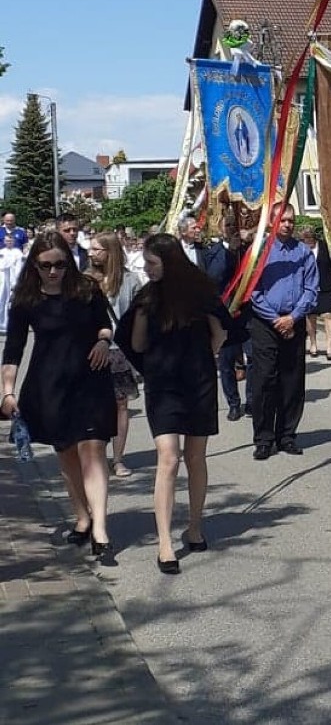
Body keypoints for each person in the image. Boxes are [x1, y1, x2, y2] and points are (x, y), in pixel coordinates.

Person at [1, 231, 116, 563]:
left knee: (93, 451)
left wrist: (103, 342)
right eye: (46, 265)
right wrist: (7, 391)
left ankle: (100, 530)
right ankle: (83, 515)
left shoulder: (86, 289)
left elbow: (104, 325)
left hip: (91, 380)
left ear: (69, 261)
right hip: (49, 384)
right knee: (66, 454)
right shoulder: (25, 299)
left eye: (60, 264)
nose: (53, 271)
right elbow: (13, 350)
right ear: (34, 264)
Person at [117, 234, 227, 575]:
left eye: (152, 262)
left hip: (198, 383)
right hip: (163, 385)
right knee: (168, 457)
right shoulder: (147, 295)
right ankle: (165, 541)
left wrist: (202, 356)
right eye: (146, 262)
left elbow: (221, 332)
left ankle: (194, 525)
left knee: (195, 456)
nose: (147, 269)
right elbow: (135, 341)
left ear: (170, 260)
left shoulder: (201, 290)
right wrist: (142, 321)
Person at [249, 204, 319, 460]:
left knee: (292, 380)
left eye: (291, 220)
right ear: (271, 222)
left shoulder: (303, 252)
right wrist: (276, 319)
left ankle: (287, 435)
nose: (288, 225)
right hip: (266, 323)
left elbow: (312, 289)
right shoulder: (260, 252)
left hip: (294, 320)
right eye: (283, 220)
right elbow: (253, 291)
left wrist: (293, 317)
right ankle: (264, 438)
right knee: (265, 380)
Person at [86, 232, 143, 478]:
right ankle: (96, 458)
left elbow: (138, 316)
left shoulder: (130, 280)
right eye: (90, 249)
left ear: (110, 252)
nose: (91, 253)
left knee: (121, 405)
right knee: (94, 406)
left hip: (119, 351)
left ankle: (118, 459)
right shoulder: (85, 280)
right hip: (91, 350)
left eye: (97, 249)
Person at [202, 215, 252, 421]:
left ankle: (251, 400)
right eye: (228, 225)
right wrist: (230, 251)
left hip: (247, 313)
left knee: (254, 358)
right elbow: (215, 277)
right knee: (226, 363)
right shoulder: (212, 253)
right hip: (225, 314)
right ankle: (233, 403)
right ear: (220, 228)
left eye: (235, 225)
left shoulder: (249, 249)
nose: (232, 228)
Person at [300, 226, 331, 360]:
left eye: (309, 238)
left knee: (328, 315)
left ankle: (329, 346)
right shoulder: (301, 249)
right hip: (310, 287)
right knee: (311, 317)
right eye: (304, 239)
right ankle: (313, 343)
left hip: (327, 286)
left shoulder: (325, 246)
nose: (307, 241)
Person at [0, 235, 24, 331]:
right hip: (3, 279)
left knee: (12, 302)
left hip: (13, 278)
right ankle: (1, 323)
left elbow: (19, 266)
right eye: (7, 241)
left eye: (10, 241)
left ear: (13, 242)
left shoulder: (18, 252)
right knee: (2, 299)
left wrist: (17, 280)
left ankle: (11, 323)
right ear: (4, 242)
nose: (9, 242)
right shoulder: (1, 252)